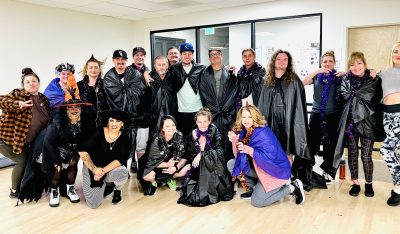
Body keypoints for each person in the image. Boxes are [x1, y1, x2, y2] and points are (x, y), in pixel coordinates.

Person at [226, 105, 305, 207]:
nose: (246, 120)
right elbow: (238, 158)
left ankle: (292, 187)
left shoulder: (263, 133)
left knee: (257, 202)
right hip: (260, 169)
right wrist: (234, 141)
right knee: (232, 164)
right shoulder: (244, 132)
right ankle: (255, 189)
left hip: (275, 172)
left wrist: (248, 150)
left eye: (249, 117)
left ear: (255, 117)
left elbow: (269, 160)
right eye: (244, 117)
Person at [257, 49, 312, 190]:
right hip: (271, 123)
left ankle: (288, 179)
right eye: (279, 59)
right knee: (272, 151)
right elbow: (262, 104)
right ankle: (275, 179)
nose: (281, 62)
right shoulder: (267, 81)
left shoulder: (294, 81)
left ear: (288, 63)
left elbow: (298, 107)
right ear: (274, 62)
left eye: (285, 59)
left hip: (289, 123)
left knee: (288, 150)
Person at [334, 52, 383, 197]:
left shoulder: (374, 79)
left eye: (359, 63)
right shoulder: (345, 80)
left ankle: (369, 184)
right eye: (352, 64)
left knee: (366, 156)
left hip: (368, 123)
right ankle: (355, 183)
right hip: (350, 124)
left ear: (365, 64)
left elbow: (376, 97)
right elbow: (341, 97)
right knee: (353, 154)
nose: (356, 67)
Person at [0, 68, 50, 199]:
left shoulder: (44, 99)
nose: (31, 83)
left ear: (39, 83)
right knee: (21, 161)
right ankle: (14, 191)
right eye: (27, 82)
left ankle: (27, 187)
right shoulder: (18, 94)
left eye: (34, 81)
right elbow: (1, 101)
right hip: (6, 139)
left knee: (29, 162)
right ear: (24, 84)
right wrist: (17, 104)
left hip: (26, 142)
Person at [42, 98, 95, 207]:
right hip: (57, 149)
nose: (73, 110)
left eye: (77, 107)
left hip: (75, 149)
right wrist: (57, 161)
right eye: (70, 107)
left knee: (73, 165)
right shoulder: (57, 121)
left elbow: (88, 139)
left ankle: (70, 189)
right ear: (66, 110)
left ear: (81, 109)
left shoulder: (87, 121)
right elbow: (49, 142)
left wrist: (77, 153)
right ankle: (54, 191)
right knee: (57, 170)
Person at [103, 49, 149, 174]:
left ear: (126, 61)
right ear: (113, 61)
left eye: (123, 60)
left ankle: (141, 172)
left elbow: (142, 94)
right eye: (117, 59)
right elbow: (109, 100)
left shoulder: (135, 74)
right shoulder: (108, 78)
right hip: (119, 119)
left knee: (139, 146)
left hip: (137, 116)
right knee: (121, 147)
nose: (120, 62)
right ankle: (122, 173)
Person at [177, 108, 233, 206]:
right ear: (196, 122)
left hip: (213, 165)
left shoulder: (214, 130)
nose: (202, 124)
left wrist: (202, 154)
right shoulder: (193, 133)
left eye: (205, 121)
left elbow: (219, 152)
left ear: (209, 121)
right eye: (200, 122)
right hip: (198, 166)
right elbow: (190, 153)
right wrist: (196, 149)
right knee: (192, 193)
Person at [302, 50, 342, 184]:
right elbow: (302, 83)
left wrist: (346, 73)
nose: (328, 63)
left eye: (330, 61)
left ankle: (327, 171)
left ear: (334, 63)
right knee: (312, 143)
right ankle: (308, 169)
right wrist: (316, 72)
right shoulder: (317, 76)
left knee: (329, 144)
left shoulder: (338, 76)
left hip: (332, 115)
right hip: (316, 114)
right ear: (321, 63)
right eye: (325, 61)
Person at [78, 110, 130, 208]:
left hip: (108, 168)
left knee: (123, 172)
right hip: (92, 167)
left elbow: (121, 159)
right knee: (94, 204)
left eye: (118, 121)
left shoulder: (124, 137)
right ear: (107, 122)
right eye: (111, 120)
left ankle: (117, 189)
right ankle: (105, 185)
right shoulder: (98, 132)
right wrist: (94, 169)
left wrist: (102, 171)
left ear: (122, 124)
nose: (114, 124)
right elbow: (82, 150)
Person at [199, 47, 237, 160]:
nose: (214, 56)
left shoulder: (230, 73)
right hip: (212, 113)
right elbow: (203, 93)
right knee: (213, 140)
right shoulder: (204, 73)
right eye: (212, 55)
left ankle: (228, 166)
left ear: (222, 56)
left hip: (227, 114)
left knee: (227, 141)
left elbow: (234, 93)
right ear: (209, 58)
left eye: (217, 54)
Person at [139, 115, 190, 195]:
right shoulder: (155, 140)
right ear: (162, 128)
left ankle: (169, 178)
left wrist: (175, 168)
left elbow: (184, 156)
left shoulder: (179, 135)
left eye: (173, 125)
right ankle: (155, 181)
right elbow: (150, 161)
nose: (171, 128)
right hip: (154, 165)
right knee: (148, 182)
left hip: (172, 164)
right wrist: (167, 164)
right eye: (167, 126)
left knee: (188, 167)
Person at [168, 42, 206, 137]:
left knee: (198, 139)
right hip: (181, 111)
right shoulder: (174, 69)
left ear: (193, 55)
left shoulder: (200, 68)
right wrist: (146, 73)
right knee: (183, 139)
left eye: (189, 54)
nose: (187, 56)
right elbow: (159, 72)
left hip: (198, 110)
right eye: (184, 54)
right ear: (180, 55)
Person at [380, 42, 400, 206]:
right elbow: (362, 73)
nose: (398, 54)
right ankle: (397, 188)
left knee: (386, 150)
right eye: (395, 51)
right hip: (387, 115)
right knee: (394, 151)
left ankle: (398, 187)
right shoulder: (384, 71)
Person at [148, 55, 179, 133]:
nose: (161, 67)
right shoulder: (149, 78)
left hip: (172, 114)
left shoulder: (174, 77)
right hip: (154, 117)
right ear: (155, 66)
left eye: (164, 64)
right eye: (159, 65)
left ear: (168, 65)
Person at [77, 54, 109, 127]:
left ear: (99, 70)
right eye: (90, 67)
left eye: (96, 67)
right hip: (85, 125)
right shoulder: (79, 86)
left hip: (104, 125)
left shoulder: (106, 84)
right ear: (86, 70)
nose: (93, 70)